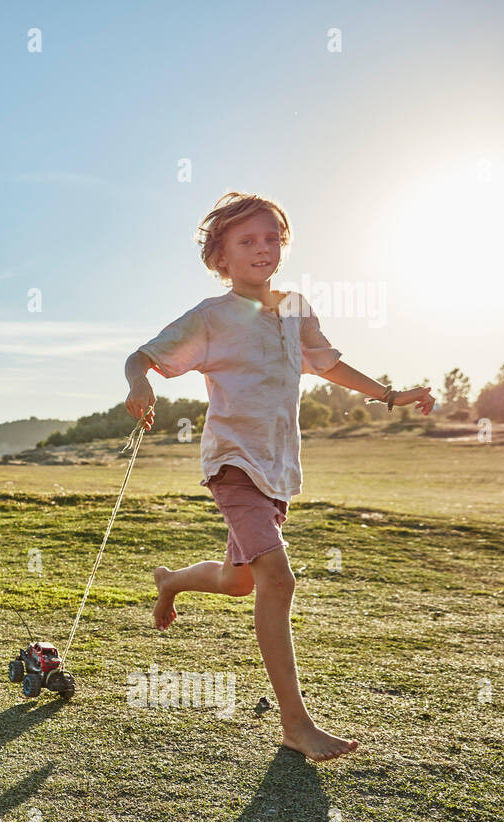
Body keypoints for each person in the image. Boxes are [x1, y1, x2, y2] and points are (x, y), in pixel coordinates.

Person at [123, 193, 434, 761]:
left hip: (276, 470)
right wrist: (140, 384)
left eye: (272, 238)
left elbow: (327, 362)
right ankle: (296, 724)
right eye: (247, 241)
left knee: (239, 581)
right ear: (220, 257)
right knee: (279, 580)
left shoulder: (294, 308)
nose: (263, 248)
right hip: (233, 464)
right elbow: (141, 355)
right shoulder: (210, 318)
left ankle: (170, 580)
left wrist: (390, 395)